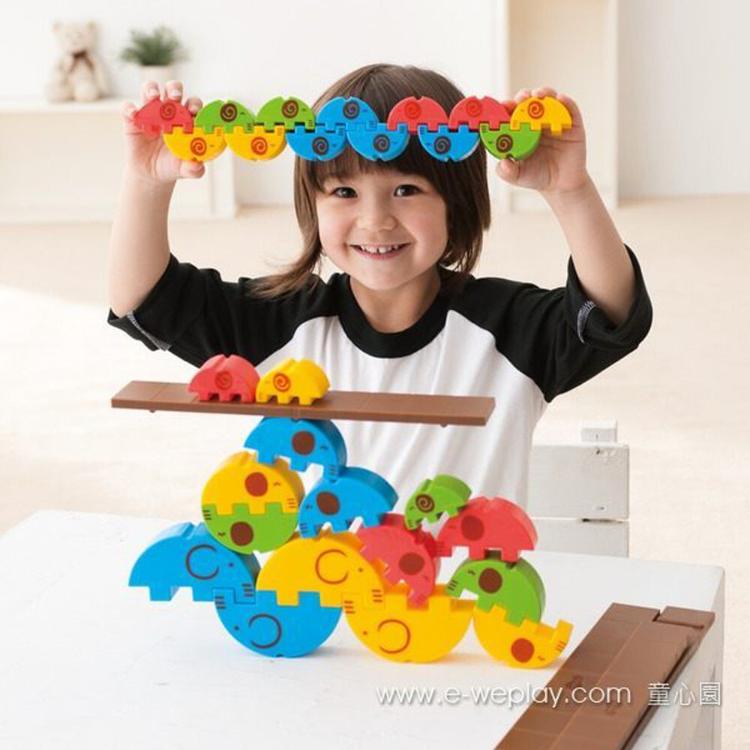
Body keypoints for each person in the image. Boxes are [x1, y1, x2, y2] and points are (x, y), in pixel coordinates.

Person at [107, 63, 652, 511]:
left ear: (457, 204)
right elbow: (144, 301)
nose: (375, 221)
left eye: (407, 189)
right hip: (314, 604)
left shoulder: (507, 329)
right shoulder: (281, 322)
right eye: (344, 192)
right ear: (312, 206)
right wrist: (146, 182)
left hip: (464, 609)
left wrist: (570, 191)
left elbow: (611, 313)